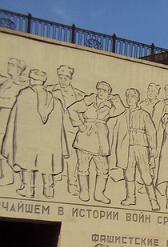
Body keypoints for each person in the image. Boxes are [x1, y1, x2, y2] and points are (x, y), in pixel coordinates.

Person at [2, 69, 67, 199]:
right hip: (48, 142)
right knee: (47, 163)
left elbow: (16, 118)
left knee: (26, 161)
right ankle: (49, 190)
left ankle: (28, 189)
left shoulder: (24, 95)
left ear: (32, 80)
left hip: (28, 138)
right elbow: (59, 126)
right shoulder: (55, 100)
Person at [68, 81, 125, 203]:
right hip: (85, 137)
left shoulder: (109, 106)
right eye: (99, 89)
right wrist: (80, 125)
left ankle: (99, 194)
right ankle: (84, 192)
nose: (101, 92)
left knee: (103, 169)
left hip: (101, 140)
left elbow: (121, 109)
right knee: (83, 166)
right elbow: (72, 109)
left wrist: (115, 99)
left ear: (108, 93)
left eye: (104, 91)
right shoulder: (88, 101)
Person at [110, 88, 159, 210]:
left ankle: (153, 201)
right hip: (127, 148)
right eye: (128, 96)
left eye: (132, 96)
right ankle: (130, 198)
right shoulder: (123, 113)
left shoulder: (144, 114)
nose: (129, 99)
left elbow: (151, 132)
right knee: (128, 174)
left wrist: (153, 148)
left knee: (146, 174)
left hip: (141, 147)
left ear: (137, 99)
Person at [48, 65, 85, 196]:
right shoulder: (49, 91)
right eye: (61, 77)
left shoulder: (79, 95)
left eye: (66, 78)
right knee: (52, 155)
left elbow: (83, 113)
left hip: (71, 131)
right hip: (54, 129)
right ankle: (50, 184)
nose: (63, 80)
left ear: (71, 78)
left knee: (72, 158)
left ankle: (72, 185)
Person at [0, 58, 27, 187]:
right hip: (2, 118)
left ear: (19, 69)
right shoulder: (5, 82)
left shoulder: (22, 84)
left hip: (13, 120)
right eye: (9, 64)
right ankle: (5, 176)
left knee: (12, 150)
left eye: (12, 65)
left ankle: (15, 179)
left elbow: (18, 103)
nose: (9, 66)